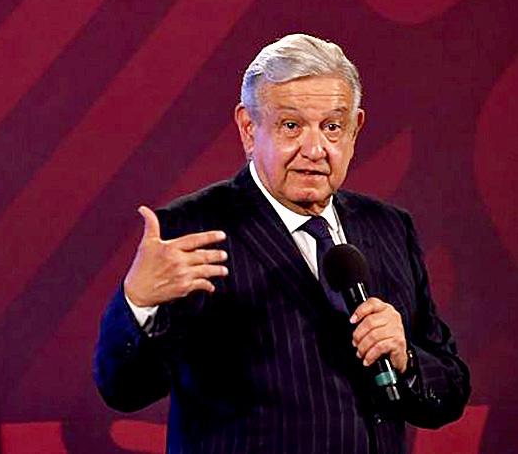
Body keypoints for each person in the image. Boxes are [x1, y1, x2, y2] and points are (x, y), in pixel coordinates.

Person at [93, 34, 470, 453]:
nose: (315, 149)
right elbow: (125, 389)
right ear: (248, 128)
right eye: (291, 126)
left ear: (355, 130)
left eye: (332, 127)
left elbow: (450, 391)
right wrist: (138, 303)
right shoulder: (194, 229)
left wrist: (405, 358)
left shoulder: (389, 227)